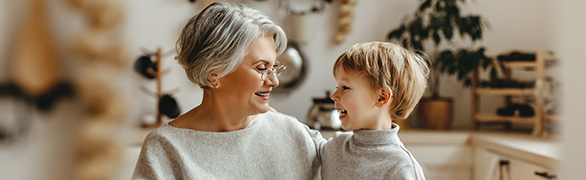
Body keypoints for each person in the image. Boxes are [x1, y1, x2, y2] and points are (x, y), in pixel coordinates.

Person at [132, 2, 323, 179]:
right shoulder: (165, 149)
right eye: (262, 68)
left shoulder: (291, 132)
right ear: (214, 72)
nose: (274, 81)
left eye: (275, 68)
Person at [320, 42, 429, 179]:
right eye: (338, 86)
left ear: (382, 97)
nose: (334, 96)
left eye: (345, 87)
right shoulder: (334, 147)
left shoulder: (402, 168)